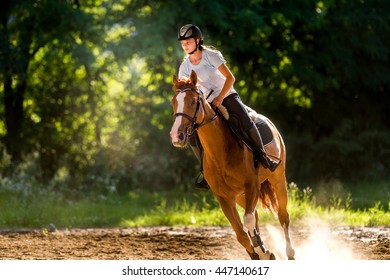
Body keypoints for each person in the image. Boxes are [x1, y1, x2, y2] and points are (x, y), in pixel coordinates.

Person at [177, 24, 280, 190]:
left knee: (245, 121)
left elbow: (230, 78)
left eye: (188, 41)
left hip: (227, 95)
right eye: (183, 43)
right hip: (205, 105)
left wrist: (219, 97)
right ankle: (205, 169)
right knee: (191, 136)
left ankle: (264, 157)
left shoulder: (211, 56)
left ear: (197, 41)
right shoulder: (184, 67)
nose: (185, 45)